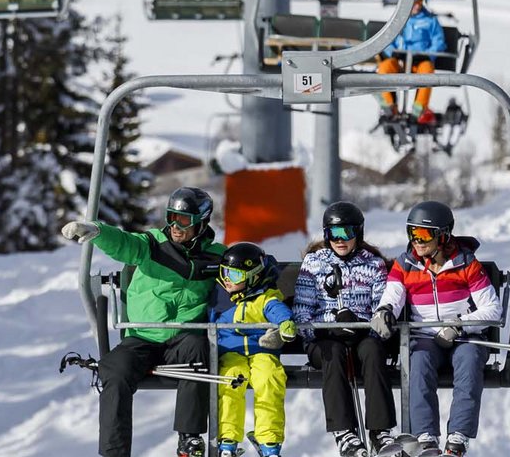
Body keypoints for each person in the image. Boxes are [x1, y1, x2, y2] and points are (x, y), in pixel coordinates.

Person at [62, 187, 226, 457]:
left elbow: (246, 271)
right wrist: (99, 231)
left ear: (201, 221)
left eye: (183, 220)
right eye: (171, 216)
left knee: (199, 350)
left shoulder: (216, 256)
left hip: (184, 338)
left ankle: (189, 438)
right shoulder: (152, 244)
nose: (175, 225)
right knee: (114, 370)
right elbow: (126, 244)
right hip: (143, 337)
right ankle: (114, 452)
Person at [370, 201, 501, 457]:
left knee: (470, 359)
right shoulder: (406, 265)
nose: (417, 241)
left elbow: (492, 309)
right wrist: (385, 312)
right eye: (412, 233)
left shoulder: (466, 264)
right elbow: (393, 296)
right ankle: (425, 438)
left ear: (443, 235)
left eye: (424, 234)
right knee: (418, 362)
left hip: (463, 336)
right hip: (425, 335)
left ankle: (457, 438)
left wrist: (459, 326)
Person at [293, 202, 398, 457]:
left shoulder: (373, 265)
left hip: (362, 336)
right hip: (325, 341)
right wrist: (327, 327)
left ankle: (379, 431)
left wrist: (365, 328)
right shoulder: (314, 263)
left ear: (358, 233)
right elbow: (301, 311)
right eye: (333, 234)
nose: (340, 241)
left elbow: (380, 307)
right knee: (334, 352)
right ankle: (344, 432)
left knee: (374, 350)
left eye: (346, 233)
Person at [211, 241, 297, 457]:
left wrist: (285, 325)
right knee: (230, 380)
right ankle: (227, 441)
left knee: (270, 379)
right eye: (225, 273)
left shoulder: (266, 298)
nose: (228, 280)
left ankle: (269, 441)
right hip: (232, 354)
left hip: (262, 352)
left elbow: (279, 311)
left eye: (236, 276)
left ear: (253, 276)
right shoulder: (222, 299)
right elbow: (207, 319)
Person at [377, 0, 446, 126]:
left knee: (427, 70)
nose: (417, 6)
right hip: (400, 61)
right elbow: (387, 39)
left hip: (419, 62)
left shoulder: (430, 21)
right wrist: (393, 52)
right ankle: (390, 107)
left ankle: (418, 110)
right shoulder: (399, 19)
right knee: (385, 67)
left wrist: (427, 54)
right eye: (414, 3)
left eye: (419, 2)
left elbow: (439, 42)